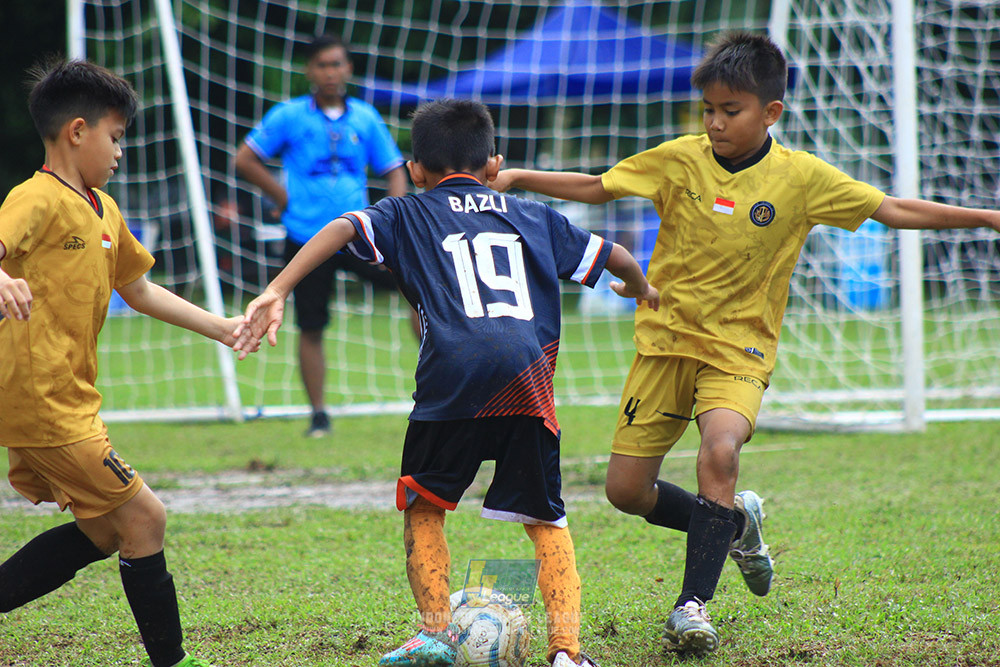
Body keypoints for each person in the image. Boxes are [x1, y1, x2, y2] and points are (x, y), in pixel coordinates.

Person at [489, 31, 1000, 655]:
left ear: (770, 112)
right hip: (666, 343)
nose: (715, 122)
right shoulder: (680, 159)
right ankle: (735, 524)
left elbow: (891, 209)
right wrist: (520, 176)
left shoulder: (802, 178)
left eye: (730, 111)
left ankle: (691, 606)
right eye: (709, 109)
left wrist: (988, 217)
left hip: (740, 350)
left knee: (721, 449)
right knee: (626, 491)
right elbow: (600, 186)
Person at [233, 99, 659, 667]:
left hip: (450, 377)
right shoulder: (533, 215)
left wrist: (277, 289)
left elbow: (342, 227)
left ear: (415, 170)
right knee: (545, 519)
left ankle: (435, 633)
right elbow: (618, 255)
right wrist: (641, 289)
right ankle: (567, 653)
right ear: (494, 164)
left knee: (424, 506)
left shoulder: (406, 211)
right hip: (526, 380)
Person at [0, 58, 255, 667]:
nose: (120, 152)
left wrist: (222, 327)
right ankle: (172, 661)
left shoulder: (104, 210)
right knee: (145, 518)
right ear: (77, 131)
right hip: (40, 397)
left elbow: (138, 289)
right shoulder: (34, 198)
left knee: (103, 530)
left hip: (68, 396)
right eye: (115, 138)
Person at [235, 34, 411, 438]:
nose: (330, 72)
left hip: (359, 234)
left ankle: (437, 387)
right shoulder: (288, 115)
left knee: (417, 288)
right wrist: (280, 195)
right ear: (309, 71)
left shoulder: (365, 117)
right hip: (307, 237)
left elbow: (394, 170)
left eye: (337, 64)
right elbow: (245, 158)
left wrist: (393, 216)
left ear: (348, 69)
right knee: (311, 326)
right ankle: (318, 415)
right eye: (322, 65)